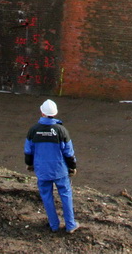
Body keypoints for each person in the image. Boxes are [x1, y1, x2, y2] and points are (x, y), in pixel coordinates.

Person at [24, 99, 79, 233]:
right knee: (65, 195)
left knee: (46, 196)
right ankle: (70, 225)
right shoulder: (61, 130)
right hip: (59, 170)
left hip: (42, 170)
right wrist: (72, 166)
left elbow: (28, 151)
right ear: (55, 113)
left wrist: (30, 164)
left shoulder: (33, 131)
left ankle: (54, 225)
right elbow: (69, 152)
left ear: (42, 112)